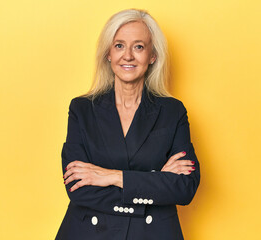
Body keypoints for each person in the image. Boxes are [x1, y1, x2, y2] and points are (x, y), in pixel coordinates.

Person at [55, 9, 200, 240]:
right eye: (119, 45)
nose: (128, 56)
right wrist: (155, 181)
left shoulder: (173, 112)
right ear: (108, 54)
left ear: (152, 55)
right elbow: (77, 188)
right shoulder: (82, 109)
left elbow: (184, 188)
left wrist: (110, 176)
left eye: (139, 46)